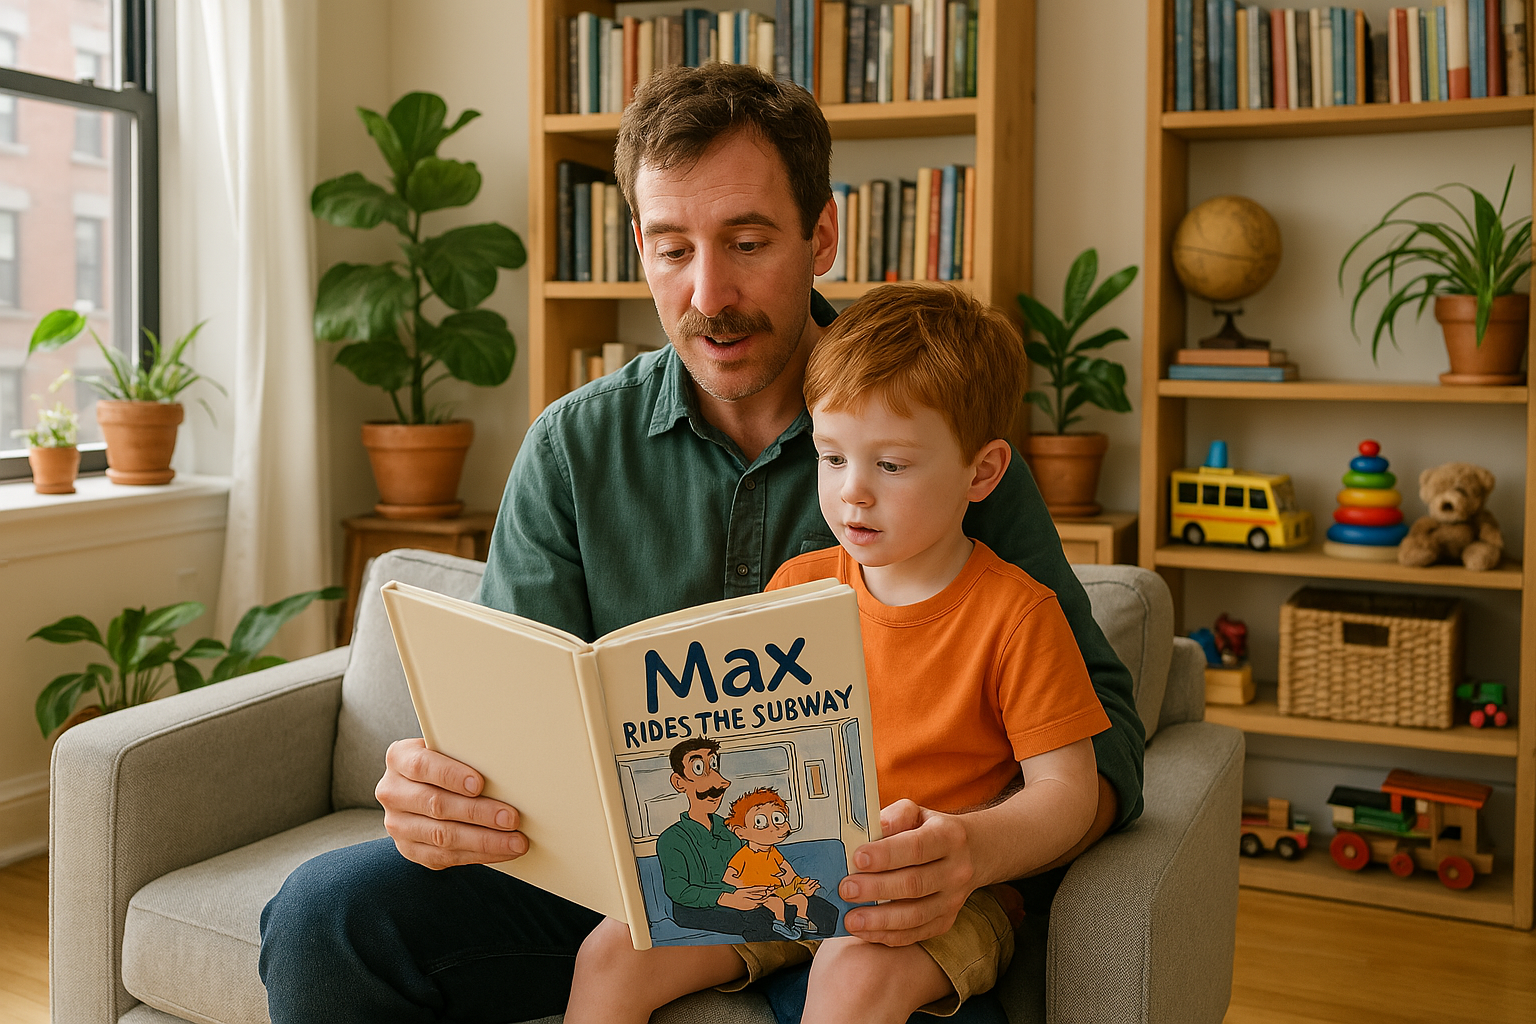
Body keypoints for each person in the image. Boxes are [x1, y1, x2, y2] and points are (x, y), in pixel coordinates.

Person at [258, 63, 1143, 1023]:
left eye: (749, 241)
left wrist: (971, 851)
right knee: (322, 916)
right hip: (626, 878)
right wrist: (446, 791)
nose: (708, 294)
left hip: (882, 894)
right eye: (672, 249)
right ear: (637, 242)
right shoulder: (573, 444)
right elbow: (512, 723)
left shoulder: (934, 431)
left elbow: (1107, 746)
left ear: (823, 235)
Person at [563, 284, 1109, 1023]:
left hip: (940, 896)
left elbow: (1068, 792)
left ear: (981, 473)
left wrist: (970, 846)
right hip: (789, 867)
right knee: (614, 950)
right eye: (830, 456)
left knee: (852, 972)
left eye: (891, 466)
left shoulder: (1017, 615)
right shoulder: (800, 589)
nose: (852, 493)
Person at [655, 739, 835, 941]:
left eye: (713, 765)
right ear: (679, 782)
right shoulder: (671, 839)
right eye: (699, 768)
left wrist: (793, 885)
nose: (720, 782)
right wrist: (729, 897)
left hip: (749, 895)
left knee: (822, 910)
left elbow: (756, 864)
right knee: (762, 920)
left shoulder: (731, 830)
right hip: (697, 908)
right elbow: (680, 891)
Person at [720, 787, 823, 939]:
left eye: (778, 818)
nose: (775, 827)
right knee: (777, 904)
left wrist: (800, 884)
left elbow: (787, 870)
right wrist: (748, 886)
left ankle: (801, 920)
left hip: (779, 889)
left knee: (801, 899)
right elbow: (728, 877)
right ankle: (780, 924)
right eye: (760, 822)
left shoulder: (773, 851)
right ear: (741, 832)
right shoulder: (743, 855)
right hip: (761, 893)